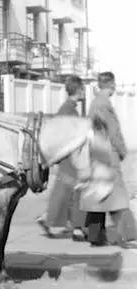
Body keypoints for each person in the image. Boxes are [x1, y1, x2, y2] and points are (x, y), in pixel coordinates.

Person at [82, 71, 137, 248]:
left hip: (97, 154)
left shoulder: (95, 103)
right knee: (118, 197)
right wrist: (122, 151)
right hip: (108, 155)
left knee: (99, 196)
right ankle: (128, 236)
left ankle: (95, 236)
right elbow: (113, 132)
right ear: (112, 85)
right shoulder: (104, 104)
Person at [36, 76, 87, 240]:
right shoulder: (68, 110)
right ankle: (77, 228)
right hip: (70, 155)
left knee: (65, 191)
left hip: (68, 155)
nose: (84, 91)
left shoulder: (69, 108)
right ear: (78, 90)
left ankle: (47, 219)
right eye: (83, 89)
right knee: (77, 190)